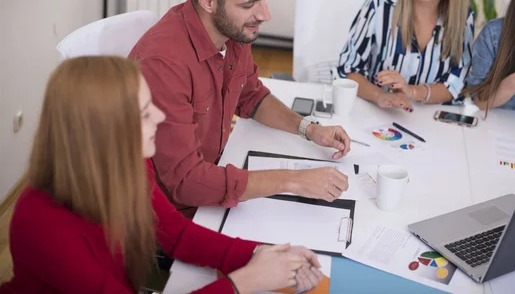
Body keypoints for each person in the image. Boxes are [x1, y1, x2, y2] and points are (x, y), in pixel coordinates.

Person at [0, 56, 323, 294]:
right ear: (104, 134)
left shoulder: (129, 164)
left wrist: (260, 254)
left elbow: (175, 233)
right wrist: (249, 280)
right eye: (143, 113)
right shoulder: (43, 225)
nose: (159, 116)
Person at [129, 0, 351, 216]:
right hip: (170, 211)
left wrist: (309, 129)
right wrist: (294, 180)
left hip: (216, 174)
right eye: (249, 5)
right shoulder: (163, 65)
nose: (265, 15)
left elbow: (251, 96)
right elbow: (186, 183)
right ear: (208, 2)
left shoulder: (231, 30)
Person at [337, 0, 474, 111]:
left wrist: (411, 91)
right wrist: (381, 96)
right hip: (376, 113)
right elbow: (347, 70)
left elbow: (456, 83)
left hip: (429, 121)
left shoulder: (463, 19)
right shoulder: (379, 6)